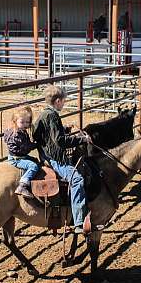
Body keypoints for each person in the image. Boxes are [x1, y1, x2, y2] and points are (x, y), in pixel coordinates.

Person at [33, 85, 90, 233]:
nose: (64, 104)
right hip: (54, 158)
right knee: (77, 179)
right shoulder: (52, 116)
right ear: (57, 101)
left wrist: (63, 129)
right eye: (63, 101)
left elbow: (39, 135)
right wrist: (80, 139)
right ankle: (79, 221)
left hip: (45, 154)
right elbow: (60, 141)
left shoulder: (43, 114)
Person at [4, 106, 39, 198]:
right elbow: (25, 147)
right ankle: (22, 185)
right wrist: (36, 144)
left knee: (35, 160)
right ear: (15, 121)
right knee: (33, 166)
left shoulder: (19, 131)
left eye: (27, 122)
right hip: (17, 159)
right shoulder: (16, 134)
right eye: (22, 122)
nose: (25, 124)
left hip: (19, 156)